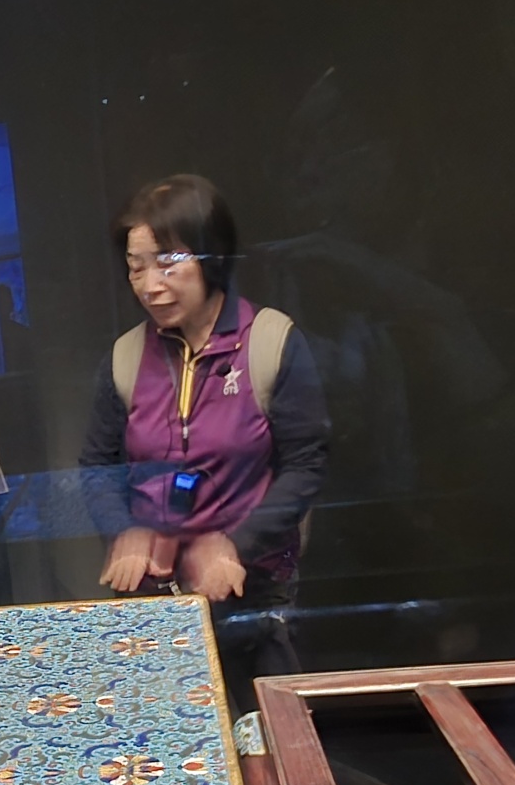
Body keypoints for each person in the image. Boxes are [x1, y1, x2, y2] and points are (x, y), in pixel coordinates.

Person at [79, 174, 329, 701]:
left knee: (266, 735)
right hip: (155, 600)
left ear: (211, 257)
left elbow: (306, 465)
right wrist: (123, 530)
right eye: (136, 266)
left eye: (168, 261)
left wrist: (235, 545)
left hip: (250, 593)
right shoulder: (126, 357)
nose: (150, 285)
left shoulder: (269, 341)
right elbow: (98, 463)